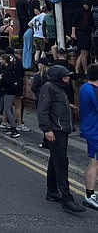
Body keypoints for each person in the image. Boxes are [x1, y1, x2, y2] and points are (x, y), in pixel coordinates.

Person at [37, 65, 86, 212]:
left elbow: (55, 105)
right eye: (65, 76)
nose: (68, 78)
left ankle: (52, 191)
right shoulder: (48, 87)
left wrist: (68, 106)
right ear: (58, 76)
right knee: (61, 162)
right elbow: (42, 110)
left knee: (55, 159)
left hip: (61, 130)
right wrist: (47, 129)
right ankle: (67, 198)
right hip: (55, 131)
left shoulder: (59, 88)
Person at [79, 64, 98, 210]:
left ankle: (90, 193)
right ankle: (89, 195)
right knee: (94, 162)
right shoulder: (93, 90)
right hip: (94, 131)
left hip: (89, 128)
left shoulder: (85, 87)